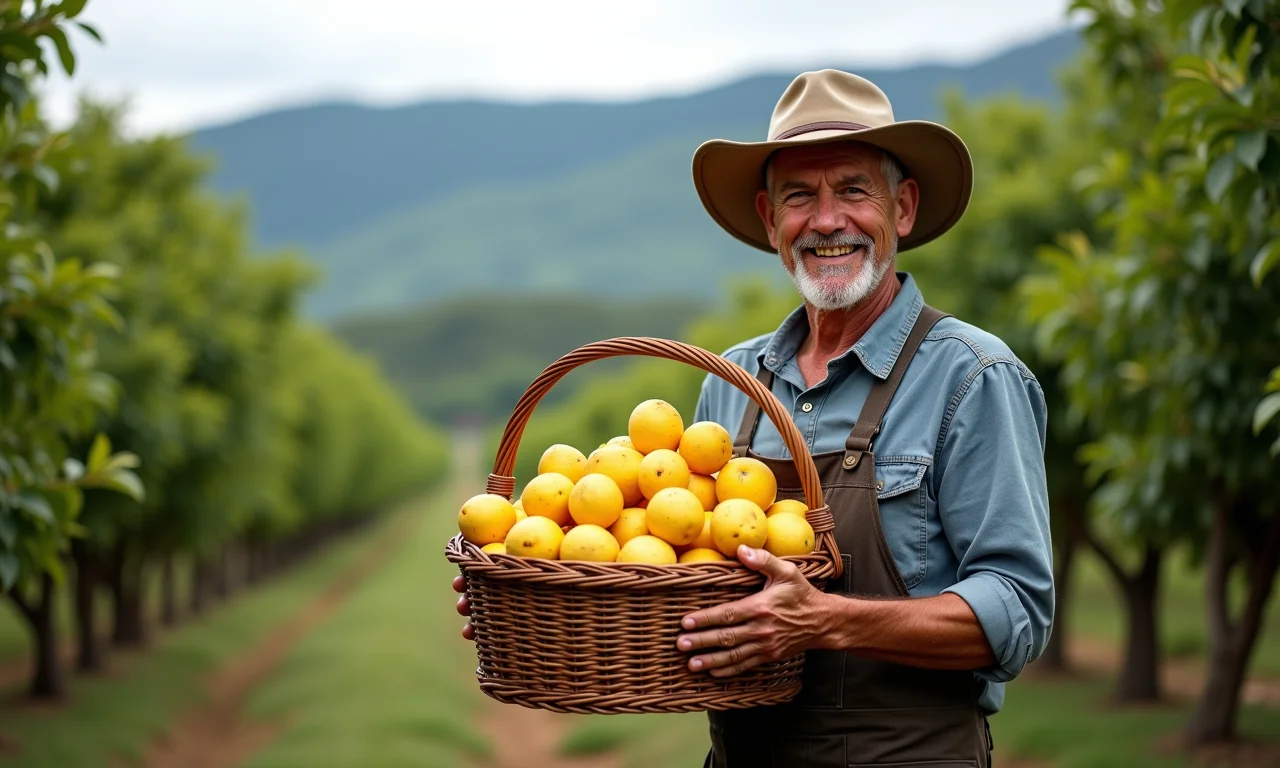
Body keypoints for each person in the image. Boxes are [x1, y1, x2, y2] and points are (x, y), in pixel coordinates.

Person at [677, 70, 1054, 767]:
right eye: (799, 196)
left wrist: (825, 622)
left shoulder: (972, 376)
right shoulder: (731, 384)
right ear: (769, 219)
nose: (826, 221)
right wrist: (536, 597)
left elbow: (1017, 610)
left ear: (902, 208)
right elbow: (683, 569)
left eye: (852, 189)